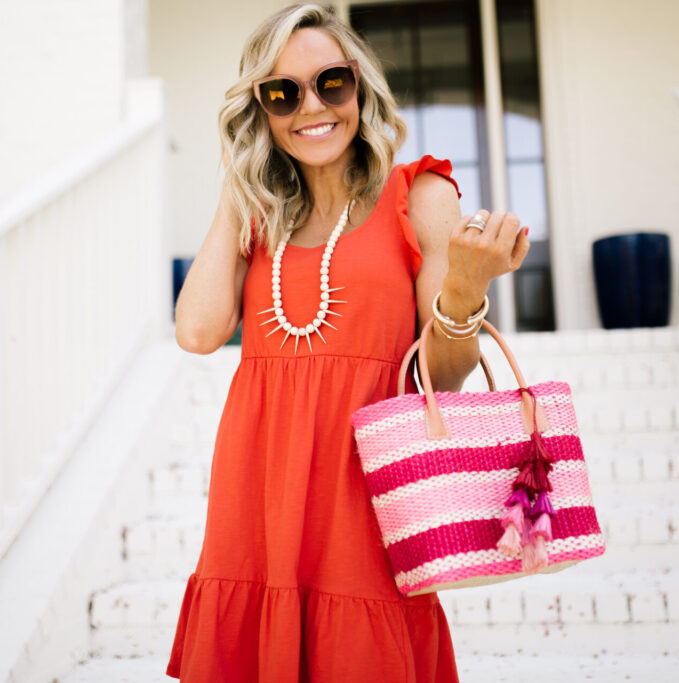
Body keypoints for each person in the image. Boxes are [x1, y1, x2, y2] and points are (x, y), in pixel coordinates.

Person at [168, 4, 530, 681]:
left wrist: (465, 288)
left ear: (360, 85)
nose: (312, 106)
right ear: (260, 110)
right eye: (282, 93)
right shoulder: (260, 215)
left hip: (366, 493)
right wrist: (237, 180)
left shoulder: (419, 193)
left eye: (331, 82)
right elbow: (197, 331)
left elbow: (443, 376)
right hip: (260, 492)